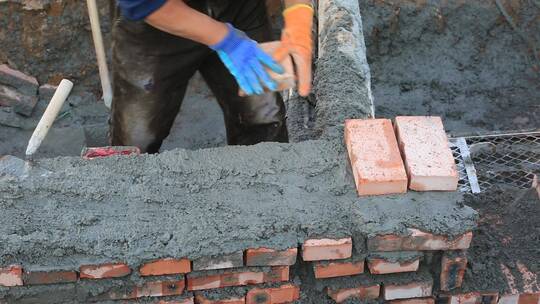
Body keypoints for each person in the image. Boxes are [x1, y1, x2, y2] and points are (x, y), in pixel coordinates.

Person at [110, 0, 314, 153]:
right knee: (136, 141)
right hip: (157, 18)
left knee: (263, 122)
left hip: (239, 7)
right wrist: (227, 41)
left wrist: (299, 15)